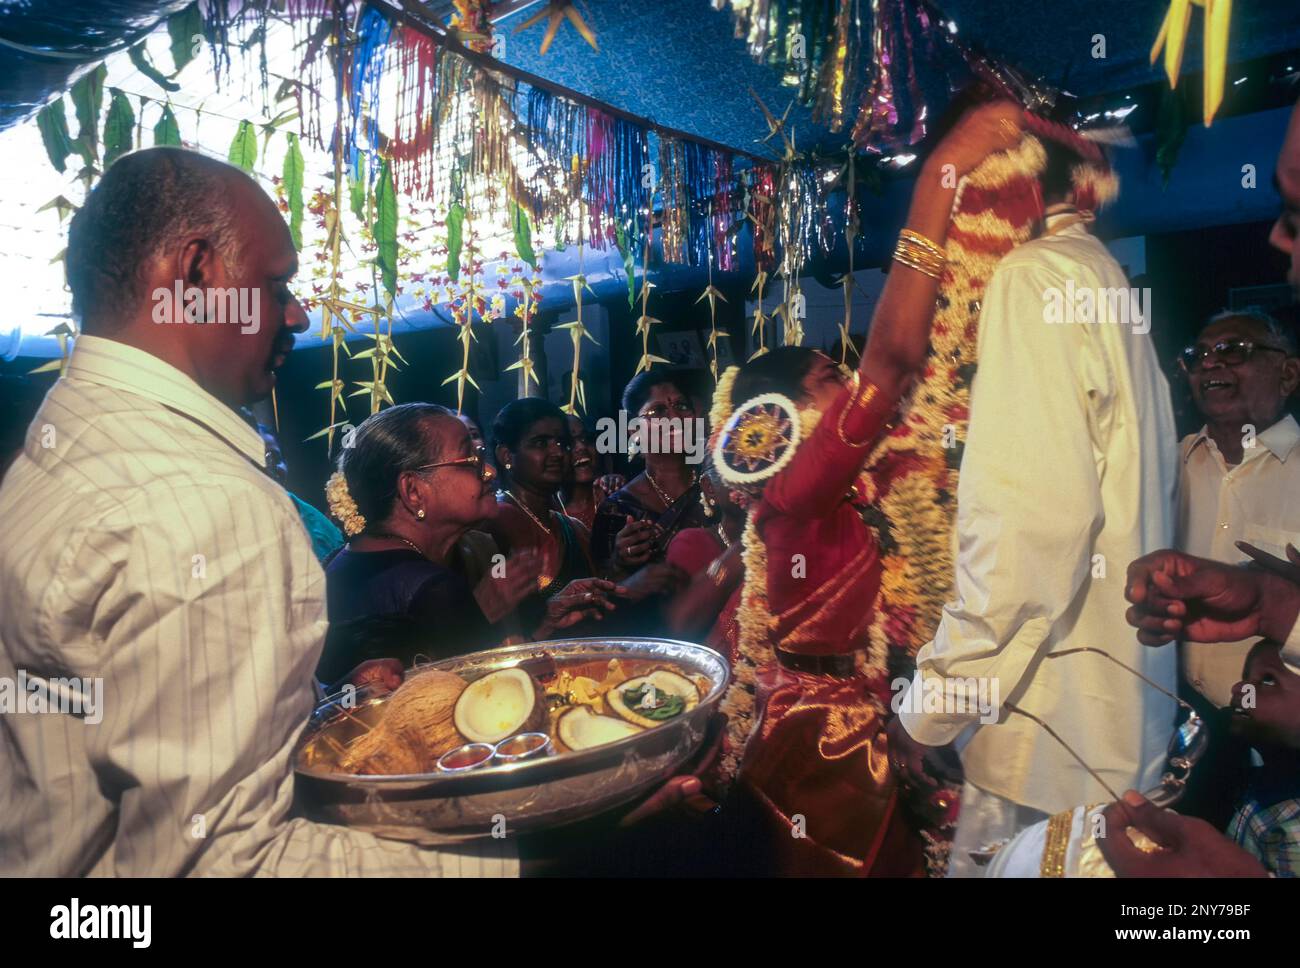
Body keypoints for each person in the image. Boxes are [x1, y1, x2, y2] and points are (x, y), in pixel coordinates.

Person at [0, 147, 518, 875]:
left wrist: (327, 699)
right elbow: (223, 861)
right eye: (277, 286)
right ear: (197, 274)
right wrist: (521, 862)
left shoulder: (62, 445)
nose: (298, 315)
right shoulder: (206, 502)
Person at [710, 99, 1025, 875]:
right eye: (828, 379)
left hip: (859, 705)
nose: (848, 383)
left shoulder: (833, 489)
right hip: (825, 733)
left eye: (840, 373)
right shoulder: (793, 490)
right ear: (777, 418)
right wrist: (943, 172)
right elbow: (892, 357)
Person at [889, 121, 1181, 877]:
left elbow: (1031, 530)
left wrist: (929, 712)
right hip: (1111, 732)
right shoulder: (1101, 274)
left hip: (1048, 746)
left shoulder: (1033, 278)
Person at [318, 402, 618, 683]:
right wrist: (477, 614)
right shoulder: (435, 590)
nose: (488, 471)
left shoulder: (340, 561)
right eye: (470, 460)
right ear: (413, 490)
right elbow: (488, 707)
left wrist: (543, 624)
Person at [1173, 307, 1300, 827]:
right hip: (1183, 732)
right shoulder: (1163, 464)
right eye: (1198, 355)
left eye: (1234, 350)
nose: (1210, 364)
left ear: (1288, 374)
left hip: (1287, 747)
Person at [591, 370, 708, 574]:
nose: (674, 417)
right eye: (658, 411)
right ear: (634, 430)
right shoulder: (619, 508)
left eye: (681, 406)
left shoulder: (715, 485)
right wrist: (619, 563)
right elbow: (603, 587)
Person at [663, 458, 746, 660]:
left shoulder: (791, 542)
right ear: (709, 488)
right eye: (739, 465)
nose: (754, 477)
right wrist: (748, 546)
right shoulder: (692, 543)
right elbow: (681, 629)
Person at [560, 413, 624, 532]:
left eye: (586, 438)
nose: (581, 446)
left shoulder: (615, 493)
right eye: (569, 444)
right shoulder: (547, 514)